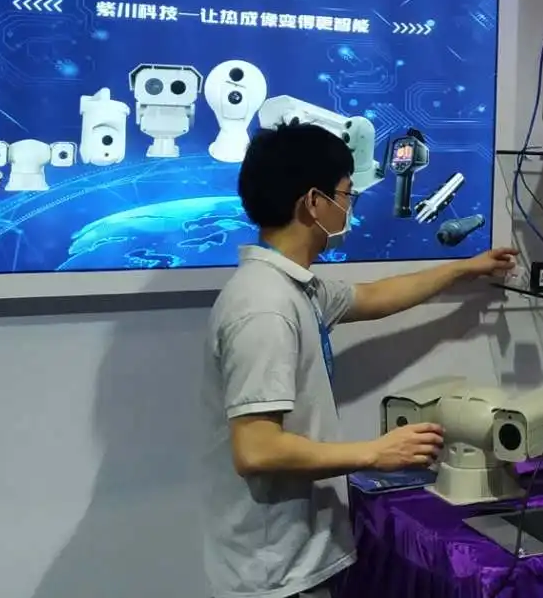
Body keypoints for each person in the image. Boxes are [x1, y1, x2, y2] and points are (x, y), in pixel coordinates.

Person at [201, 122, 516, 598]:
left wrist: (463, 268)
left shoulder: (292, 288)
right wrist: (375, 453)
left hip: (295, 555)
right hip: (275, 572)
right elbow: (256, 450)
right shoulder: (264, 308)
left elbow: (373, 296)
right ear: (313, 202)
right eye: (347, 194)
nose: (350, 207)